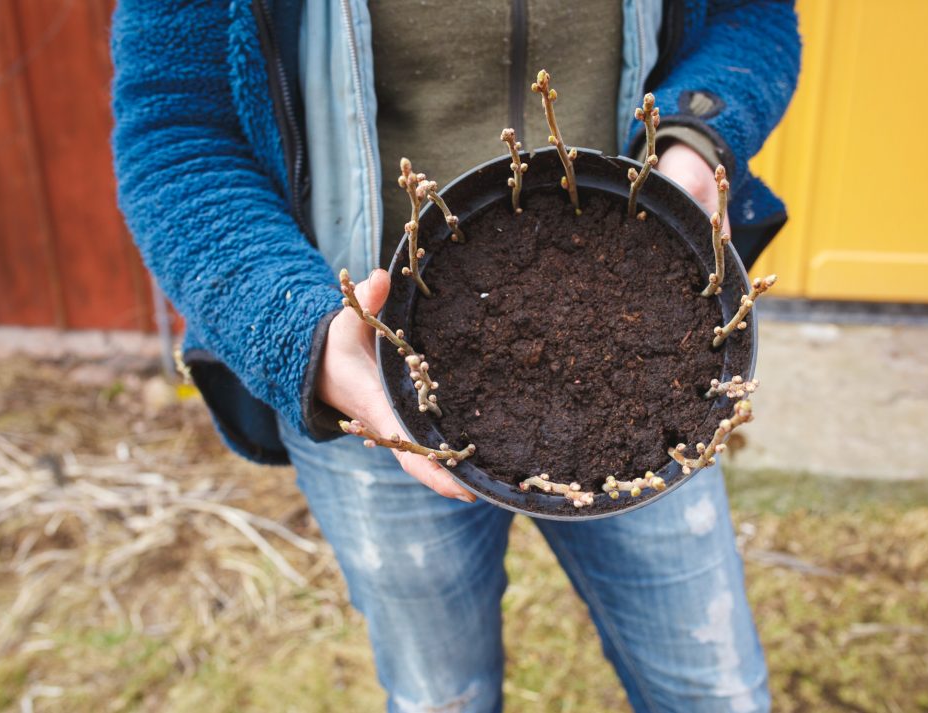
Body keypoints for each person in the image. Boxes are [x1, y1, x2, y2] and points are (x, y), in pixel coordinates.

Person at [111, 1, 800, 710]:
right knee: (442, 695)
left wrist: (693, 142)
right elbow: (177, 129)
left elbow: (751, 18)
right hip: (367, 362)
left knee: (713, 691)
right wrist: (302, 333)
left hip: (640, 344)